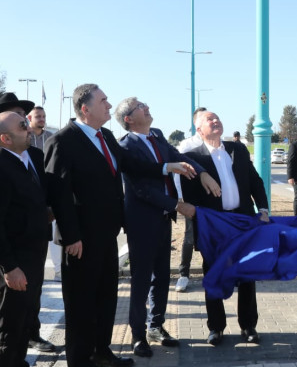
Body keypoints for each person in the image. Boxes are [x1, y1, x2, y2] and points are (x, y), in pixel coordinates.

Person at [45, 84, 190, 367]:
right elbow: (58, 194)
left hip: (107, 234)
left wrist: (166, 167)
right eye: (103, 101)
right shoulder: (63, 141)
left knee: (105, 299)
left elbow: (132, 165)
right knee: (81, 304)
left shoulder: (107, 136)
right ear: (85, 109)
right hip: (81, 240)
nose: (109, 106)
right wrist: (70, 236)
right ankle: (79, 360)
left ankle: (102, 352)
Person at [113, 98, 217, 357]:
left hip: (162, 220)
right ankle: (138, 336)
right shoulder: (125, 146)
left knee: (161, 276)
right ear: (129, 119)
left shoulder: (157, 136)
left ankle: (155, 326)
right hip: (142, 222)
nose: (146, 107)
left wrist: (202, 172)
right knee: (140, 279)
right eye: (140, 106)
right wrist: (177, 205)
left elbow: (177, 156)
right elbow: (140, 188)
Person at [179, 110, 269, 346]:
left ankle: (248, 325)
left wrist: (263, 209)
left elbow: (255, 181)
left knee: (247, 274)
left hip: (242, 222)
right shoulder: (191, 158)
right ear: (199, 129)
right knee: (214, 275)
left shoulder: (237, 150)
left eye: (217, 117)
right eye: (209, 119)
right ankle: (216, 327)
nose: (216, 121)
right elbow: (189, 198)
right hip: (214, 228)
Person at [0, 111, 51, 367]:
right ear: (5, 138)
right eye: (22, 126)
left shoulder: (24, 160)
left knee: (24, 322)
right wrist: (10, 267)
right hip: (14, 261)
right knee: (10, 326)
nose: (28, 128)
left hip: (31, 255)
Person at [27, 106, 63, 284]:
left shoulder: (51, 137)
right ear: (29, 118)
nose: (41, 119)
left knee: (54, 229)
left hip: (49, 188)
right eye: (38, 116)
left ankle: (58, 271)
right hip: (30, 190)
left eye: (43, 116)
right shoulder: (24, 136)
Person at [175, 106, 208, 293]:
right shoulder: (187, 146)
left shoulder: (216, 145)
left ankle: (210, 273)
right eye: (204, 119)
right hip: (192, 200)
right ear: (197, 124)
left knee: (210, 236)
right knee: (190, 237)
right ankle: (183, 274)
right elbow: (178, 175)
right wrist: (181, 200)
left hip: (212, 200)